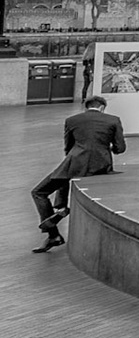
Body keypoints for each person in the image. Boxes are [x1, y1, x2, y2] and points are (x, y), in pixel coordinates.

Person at [29, 95, 125, 252]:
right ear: (102, 107)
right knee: (70, 178)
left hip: (74, 163)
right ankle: (61, 207)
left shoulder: (72, 120)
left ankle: (55, 229)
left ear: (86, 107)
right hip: (100, 166)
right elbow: (120, 148)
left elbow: (68, 147)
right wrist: (109, 148)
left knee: (39, 192)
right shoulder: (113, 120)